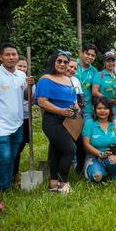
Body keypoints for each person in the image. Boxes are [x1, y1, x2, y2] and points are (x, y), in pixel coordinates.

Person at [0, 42, 32, 192]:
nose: (11, 57)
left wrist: (30, 86)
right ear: (1, 57)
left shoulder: (21, 75)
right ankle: (3, 187)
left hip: (17, 123)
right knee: (4, 156)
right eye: (8, 54)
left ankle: (9, 182)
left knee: (13, 155)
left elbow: (28, 98)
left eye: (14, 54)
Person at [34, 51, 79, 193]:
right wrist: (61, 111)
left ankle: (53, 183)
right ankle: (63, 182)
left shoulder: (68, 79)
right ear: (53, 62)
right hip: (52, 121)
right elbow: (41, 101)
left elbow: (73, 99)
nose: (62, 64)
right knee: (70, 150)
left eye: (65, 62)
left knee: (56, 151)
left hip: (68, 120)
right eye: (59, 61)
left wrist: (76, 107)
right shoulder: (45, 79)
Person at [82, 97, 116, 182]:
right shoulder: (89, 124)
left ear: (110, 110)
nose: (102, 111)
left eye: (105, 108)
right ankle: (102, 172)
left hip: (112, 155)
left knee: (114, 160)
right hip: (94, 156)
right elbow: (86, 144)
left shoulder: (115, 123)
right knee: (97, 176)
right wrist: (101, 154)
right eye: (99, 108)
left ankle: (114, 176)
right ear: (94, 110)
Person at [12, 55, 33, 185]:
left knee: (23, 144)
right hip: (14, 119)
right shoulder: (12, 81)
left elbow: (31, 101)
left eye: (24, 66)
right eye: (19, 66)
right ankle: (14, 173)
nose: (22, 68)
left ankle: (15, 173)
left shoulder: (29, 82)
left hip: (26, 119)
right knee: (16, 147)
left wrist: (30, 87)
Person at [92, 50, 116, 128]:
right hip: (103, 107)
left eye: (113, 61)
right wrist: (107, 101)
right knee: (103, 126)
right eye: (108, 61)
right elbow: (94, 91)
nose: (111, 63)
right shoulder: (100, 75)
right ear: (104, 63)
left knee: (115, 126)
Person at [76, 43, 98, 122]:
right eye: (87, 54)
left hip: (86, 107)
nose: (90, 57)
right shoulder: (72, 65)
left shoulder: (94, 71)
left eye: (93, 55)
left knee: (86, 131)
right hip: (70, 104)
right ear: (81, 53)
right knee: (72, 131)